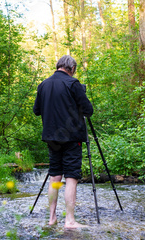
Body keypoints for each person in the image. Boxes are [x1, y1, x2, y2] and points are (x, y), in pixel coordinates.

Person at [33, 55, 93, 229]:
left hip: (51, 137)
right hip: (72, 138)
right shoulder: (73, 84)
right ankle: (70, 221)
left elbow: (37, 111)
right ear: (72, 69)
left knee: (55, 176)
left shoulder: (43, 85)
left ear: (58, 66)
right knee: (71, 177)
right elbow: (88, 111)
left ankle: (52, 218)